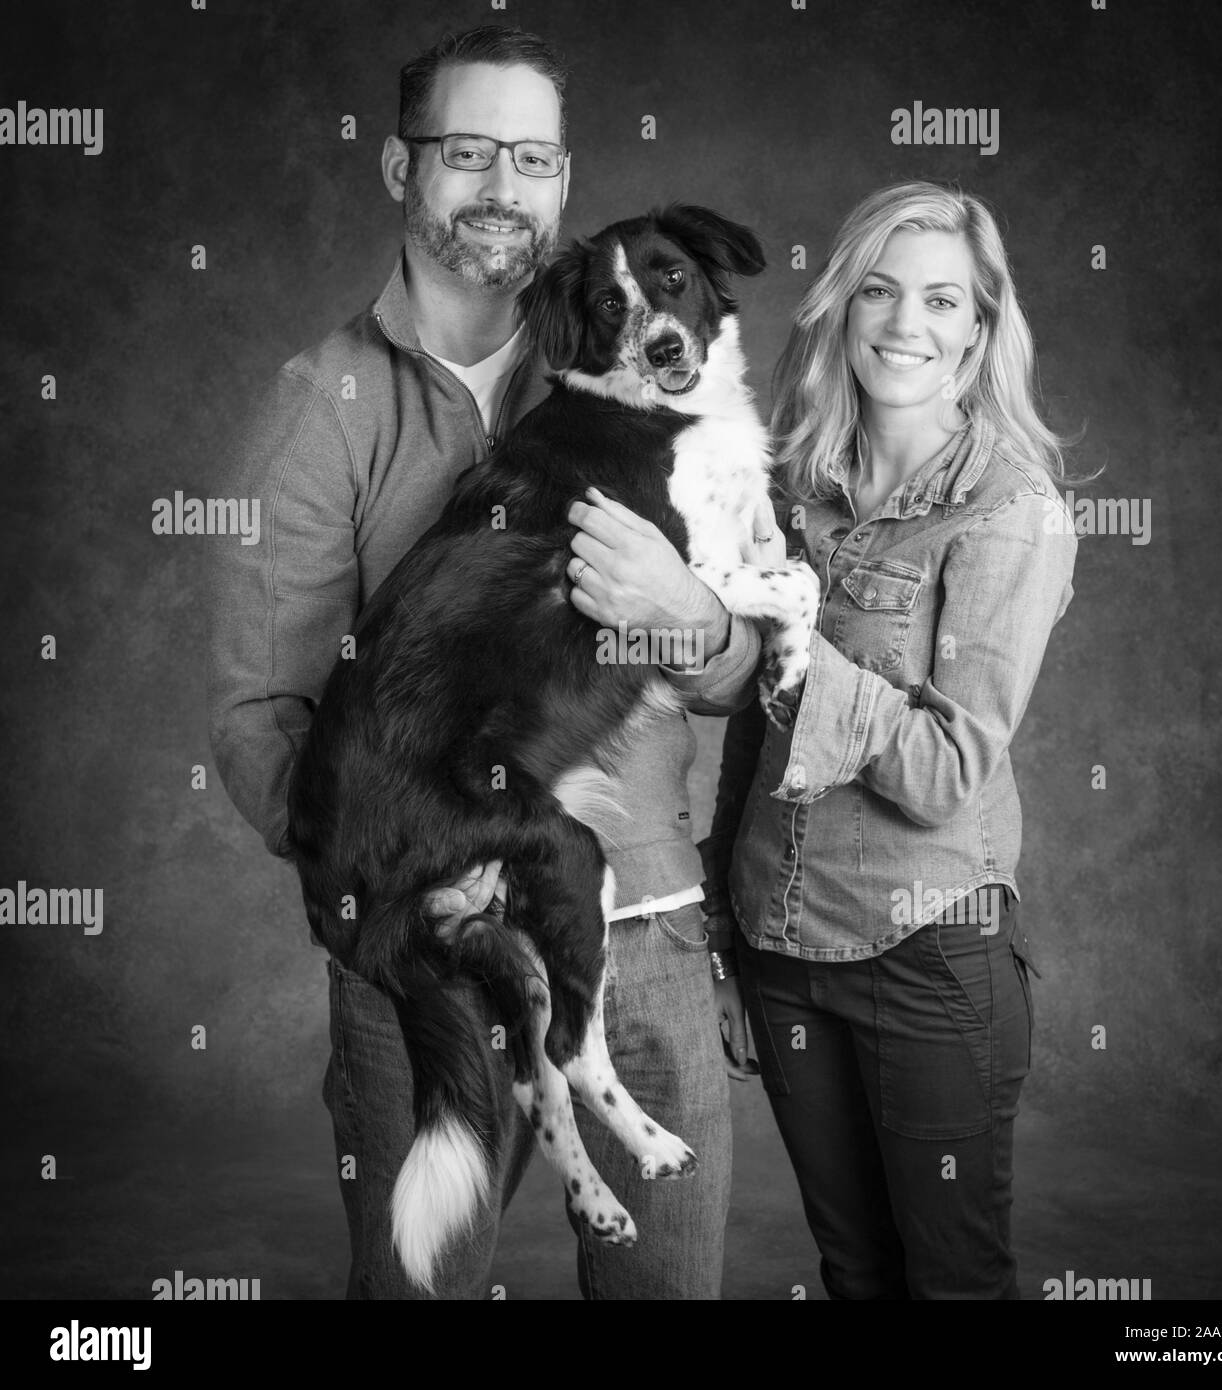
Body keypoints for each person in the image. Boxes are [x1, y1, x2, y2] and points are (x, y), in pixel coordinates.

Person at [207, 24, 762, 1300]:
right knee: (420, 1291)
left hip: (654, 927)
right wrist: (401, 886)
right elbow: (259, 717)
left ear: (564, 179)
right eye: (466, 152)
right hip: (434, 927)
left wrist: (696, 615)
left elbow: (739, 672)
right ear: (401, 170)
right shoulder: (320, 403)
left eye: (530, 156)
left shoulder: (650, 354)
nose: (501, 187)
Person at [700, 181, 1079, 1300]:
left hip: (929, 957)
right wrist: (727, 932)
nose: (904, 323)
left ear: (979, 324)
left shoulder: (1014, 512)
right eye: (878, 289)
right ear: (842, 306)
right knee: (855, 1270)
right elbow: (751, 742)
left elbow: (946, 769)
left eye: (940, 298)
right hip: (780, 952)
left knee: (948, 1280)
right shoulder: (792, 488)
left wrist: (797, 648)